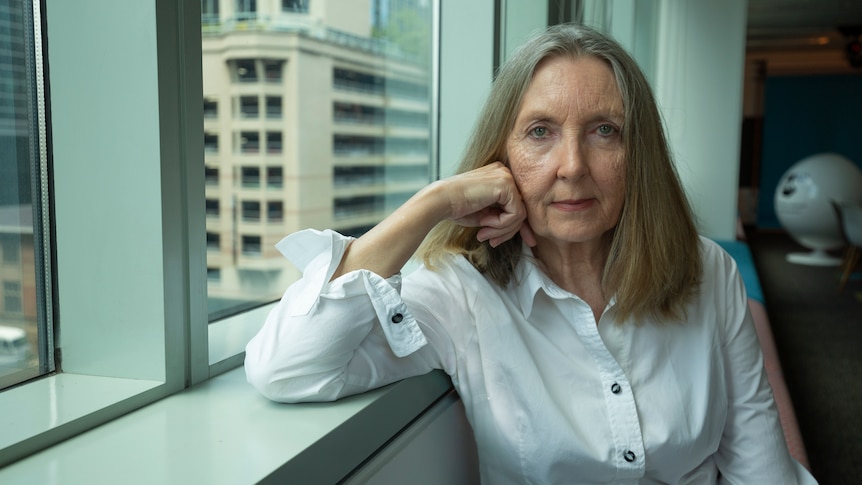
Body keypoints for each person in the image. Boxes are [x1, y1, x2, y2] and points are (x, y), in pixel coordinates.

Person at [245, 23, 817, 484]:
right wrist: (434, 203)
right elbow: (289, 367)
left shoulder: (707, 271)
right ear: (502, 156)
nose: (572, 166)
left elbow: (760, 465)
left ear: (637, 155)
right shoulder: (461, 291)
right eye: (540, 131)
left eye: (604, 131)